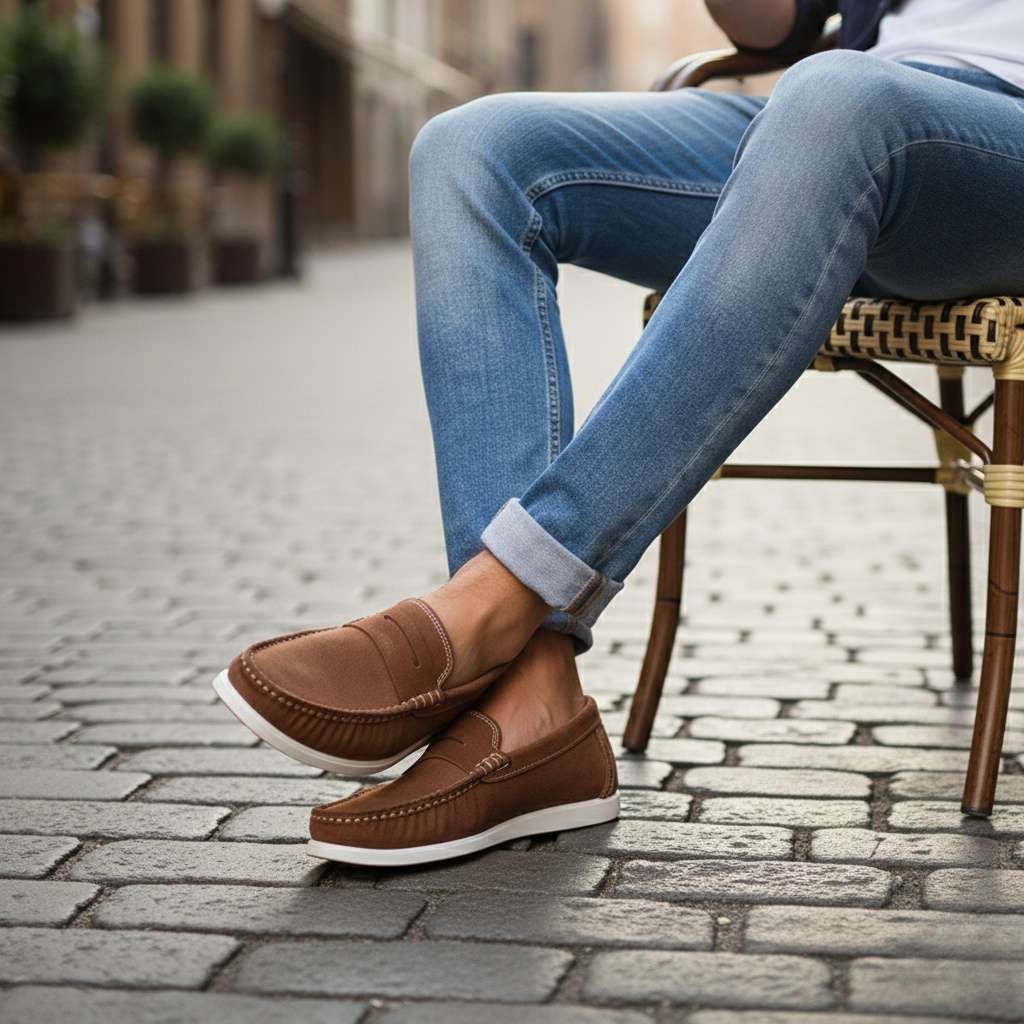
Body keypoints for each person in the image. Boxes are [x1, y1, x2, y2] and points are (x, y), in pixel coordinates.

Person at [214, 0, 1024, 866]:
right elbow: (770, 25)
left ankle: (489, 606)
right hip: (827, 124)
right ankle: (529, 713)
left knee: (835, 97)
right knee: (473, 148)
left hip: (971, 142)